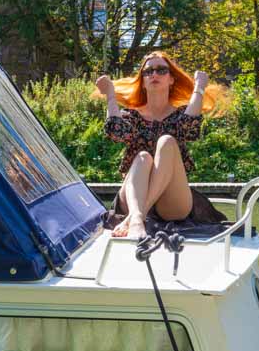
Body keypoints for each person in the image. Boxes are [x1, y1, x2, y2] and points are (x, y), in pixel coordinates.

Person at [95, 52, 226, 239]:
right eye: (148, 71)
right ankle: (137, 216)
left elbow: (189, 126)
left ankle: (135, 218)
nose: (154, 74)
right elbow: (116, 131)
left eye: (161, 70)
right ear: (143, 80)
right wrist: (110, 94)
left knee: (166, 141)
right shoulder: (133, 116)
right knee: (142, 157)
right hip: (134, 197)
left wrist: (200, 87)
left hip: (171, 202)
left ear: (171, 79)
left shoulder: (179, 116)